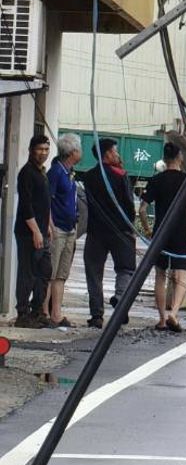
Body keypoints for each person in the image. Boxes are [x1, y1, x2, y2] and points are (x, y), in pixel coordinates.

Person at [139, 143, 186, 331]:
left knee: (160, 275)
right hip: (181, 234)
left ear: (165, 159)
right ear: (180, 157)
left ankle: (161, 319)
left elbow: (142, 210)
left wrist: (147, 230)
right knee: (181, 275)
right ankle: (173, 314)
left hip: (161, 233)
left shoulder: (156, 180)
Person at [79, 137, 137, 330]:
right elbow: (129, 205)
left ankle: (96, 315)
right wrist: (130, 226)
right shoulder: (121, 175)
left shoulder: (88, 177)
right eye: (115, 151)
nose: (117, 154)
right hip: (120, 231)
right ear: (108, 154)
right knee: (126, 269)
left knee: (94, 272)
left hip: (95, 232)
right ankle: (120, 298)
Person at [12, 135, 53, 327]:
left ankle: (37, 311)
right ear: (31, 150)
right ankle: (22, 314)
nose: (43, 153)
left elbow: (43, 203)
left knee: (44, 271)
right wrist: (36, 231)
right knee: (27, 273)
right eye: (39, 149)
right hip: (27, 233)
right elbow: (26, 206)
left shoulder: (42, 172)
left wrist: (47, 226)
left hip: (42, 231)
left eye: (46, 149)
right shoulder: (26, 173)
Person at [45, 134, 83, 328]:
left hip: (70, 228)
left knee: (61, 274)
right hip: (57, 228)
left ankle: (56, 313)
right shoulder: (56, 172)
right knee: (50, 273)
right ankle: (44, 312)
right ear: (72, 152)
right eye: (79, 149)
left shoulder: (70, 173)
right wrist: (49, 225)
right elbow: (47, 201)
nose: (81, 152)